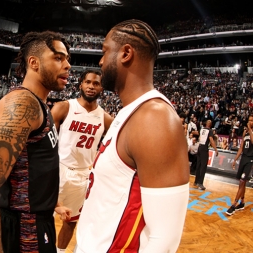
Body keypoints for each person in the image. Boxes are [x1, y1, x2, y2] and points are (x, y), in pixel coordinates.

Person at [75, 19, 190, 253]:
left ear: (126, 53)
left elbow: (164, 239)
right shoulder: (131, 112)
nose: (101, 60)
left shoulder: (154, 118)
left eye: (105, 51)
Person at [0, 31, 72, 253]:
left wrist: (53, 203)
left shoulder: (40, 105)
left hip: (39, 222)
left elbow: (34, 168)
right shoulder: (21, 105)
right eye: (58, 57)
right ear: (34, 63)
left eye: (67, 59)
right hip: (24, 230)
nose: (67, 65)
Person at [51, 69, 113, 252]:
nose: (91, 86)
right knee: (43, 216)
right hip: (58, 170)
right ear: (81, 85)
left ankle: (60, 251)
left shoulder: (105, 118)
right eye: (88, 82)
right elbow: (46, 142)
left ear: (102, 88)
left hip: (82, 175)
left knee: (71, 221)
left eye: (96, 83)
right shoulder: (65, 107)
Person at [226, 114, 253, 215]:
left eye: (252, 121)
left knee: (242, 181)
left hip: (250, 159)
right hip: (243, 159)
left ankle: (234, 205)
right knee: (242, 182)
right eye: (249, 120)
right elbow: (241, 148)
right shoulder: (245, 133)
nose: (250, 122)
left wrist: (249, 129)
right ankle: (242, 202)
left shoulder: (250, 132)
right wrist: (235, 159)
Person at [194, 119, 219, 190]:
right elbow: (211, 140)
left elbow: (196, 133)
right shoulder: (210, 131)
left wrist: (192, 131)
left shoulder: (202, 129)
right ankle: (200, 183)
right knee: (203, 166)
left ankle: (196, 181)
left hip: (199, 147)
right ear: (210, 125)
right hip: (204, 149)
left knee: (198, 165)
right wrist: (216, 149)